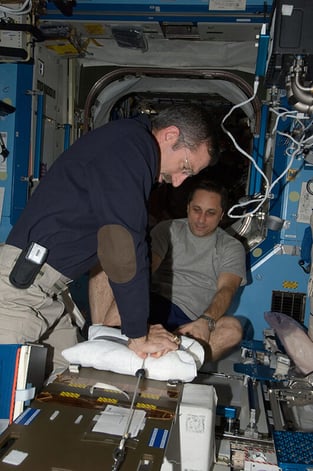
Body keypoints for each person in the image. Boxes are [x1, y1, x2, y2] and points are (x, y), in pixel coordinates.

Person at [0, 104, 219, 371]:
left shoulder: (128, 146)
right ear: (170, 135)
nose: (178, 182)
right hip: (20, 291)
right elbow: (121, 243)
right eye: (185, 167)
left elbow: (134, 238)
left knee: (66, 380)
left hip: (49, 292)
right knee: (5, 401)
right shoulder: (130, 148)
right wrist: (138, 334)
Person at [90, 180, 246, 361]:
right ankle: (103, 335)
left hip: (188, 322)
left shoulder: (231, 247)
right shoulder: (168, 229)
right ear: (188, 208)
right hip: (148, 305)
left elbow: (227, 289)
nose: (201, 219)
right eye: (196, 210)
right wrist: (133, 314)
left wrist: (206, 321)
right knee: (105, 266)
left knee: (232, 329)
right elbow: (145, 270)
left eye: (210, 213)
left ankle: (171, 357)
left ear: (221, 215)